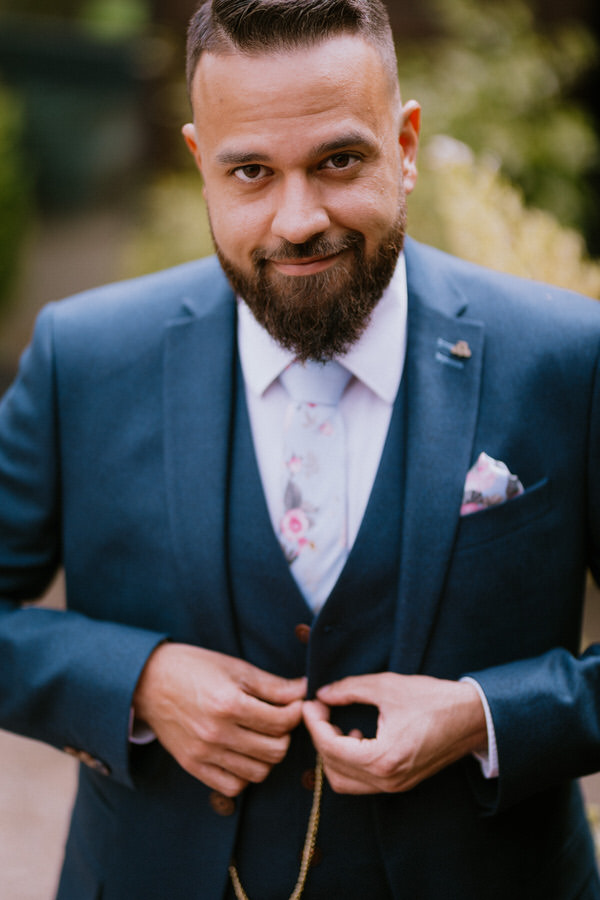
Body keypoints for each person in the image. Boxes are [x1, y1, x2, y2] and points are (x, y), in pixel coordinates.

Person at [1, 0, 600, 897]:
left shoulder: (568, 355)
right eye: (251, 171)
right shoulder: (81, 357)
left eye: (339, 160)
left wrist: (486, 718)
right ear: (203, 166)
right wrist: (134, 681)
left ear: (405, 146)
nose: (296, 220)